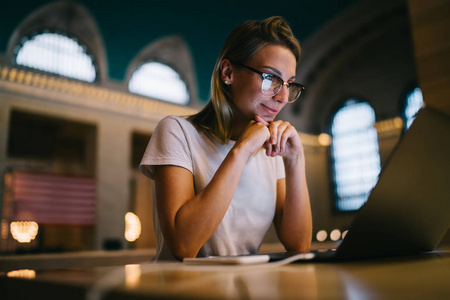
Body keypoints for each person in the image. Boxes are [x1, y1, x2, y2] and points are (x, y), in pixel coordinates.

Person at [140, 16, 312, 261]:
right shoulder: (176, 131)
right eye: (270, 78)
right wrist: (241, 151)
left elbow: (299, 243)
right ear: (228, 72)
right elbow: (183, 245)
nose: (283, 96)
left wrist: (295, 159)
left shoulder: (271, 150)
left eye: (289, 83)